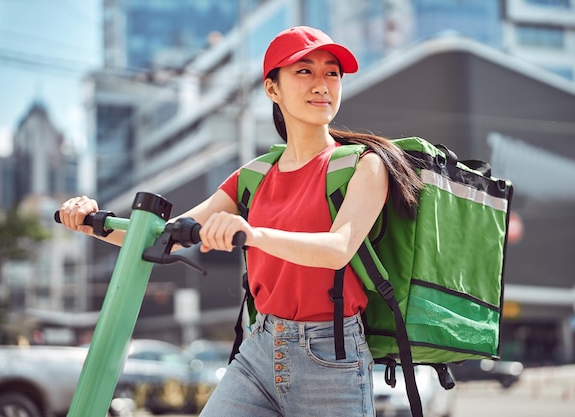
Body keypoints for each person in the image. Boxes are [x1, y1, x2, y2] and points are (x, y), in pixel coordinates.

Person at [59, 26, 422, 417]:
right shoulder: (253, 177)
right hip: (259, 347)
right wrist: (91, 223)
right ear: (272, 89)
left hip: (330, 356)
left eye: (331, 73)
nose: (322, 84)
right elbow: (163, 238)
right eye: (304, 71)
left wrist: (254, 234)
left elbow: (337, 250)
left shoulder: (363, 166)